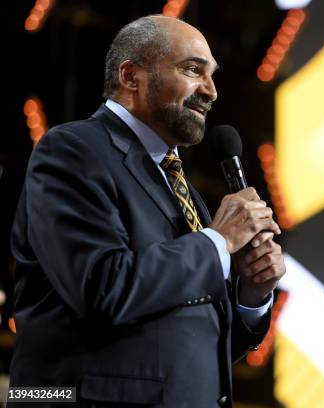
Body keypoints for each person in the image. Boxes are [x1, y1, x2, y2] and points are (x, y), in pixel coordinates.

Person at [9, 15, 285, 407]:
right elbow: (103, 289)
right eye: (193, 70)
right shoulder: (73, 151)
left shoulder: (176, 181)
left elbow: (193, 340)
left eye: (212, 76)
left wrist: (251, 295)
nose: (211, 91)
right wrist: (218, 242)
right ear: (130, 76)